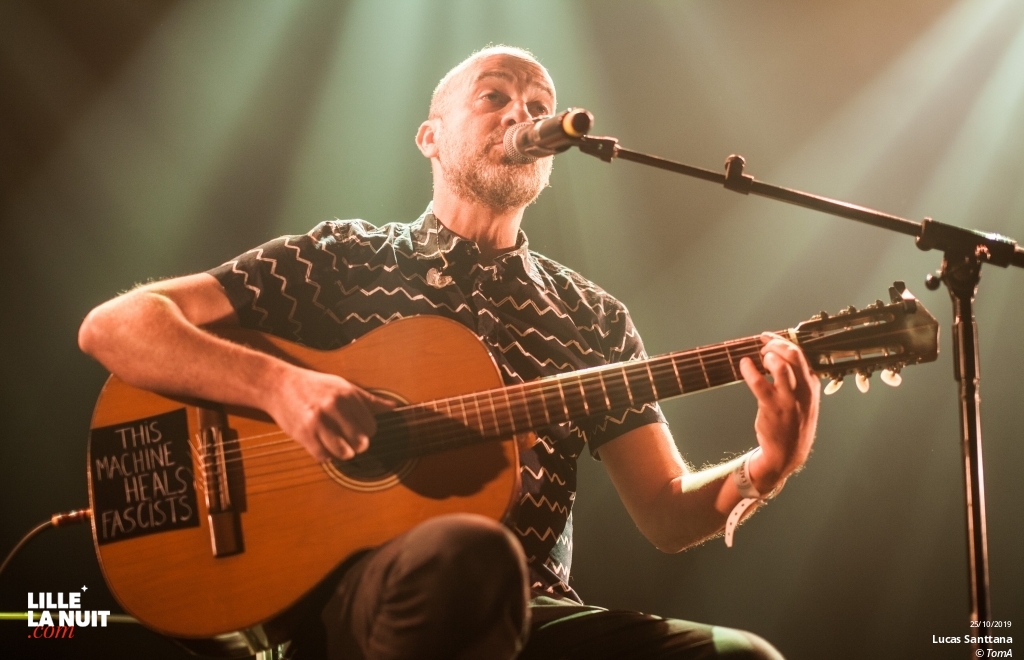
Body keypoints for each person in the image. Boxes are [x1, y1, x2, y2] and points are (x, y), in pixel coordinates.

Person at [79, 46, 819, 660]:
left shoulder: (592, 318)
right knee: (467, 555)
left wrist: (766, 467)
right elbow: (117, 326)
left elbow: (663, 511)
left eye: (537, 105)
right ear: (430, 137)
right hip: (357, 601)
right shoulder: (342, 257)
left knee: (747, 658)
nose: (522, 115)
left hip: (534, 616)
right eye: (494, 96)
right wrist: (284, 390)